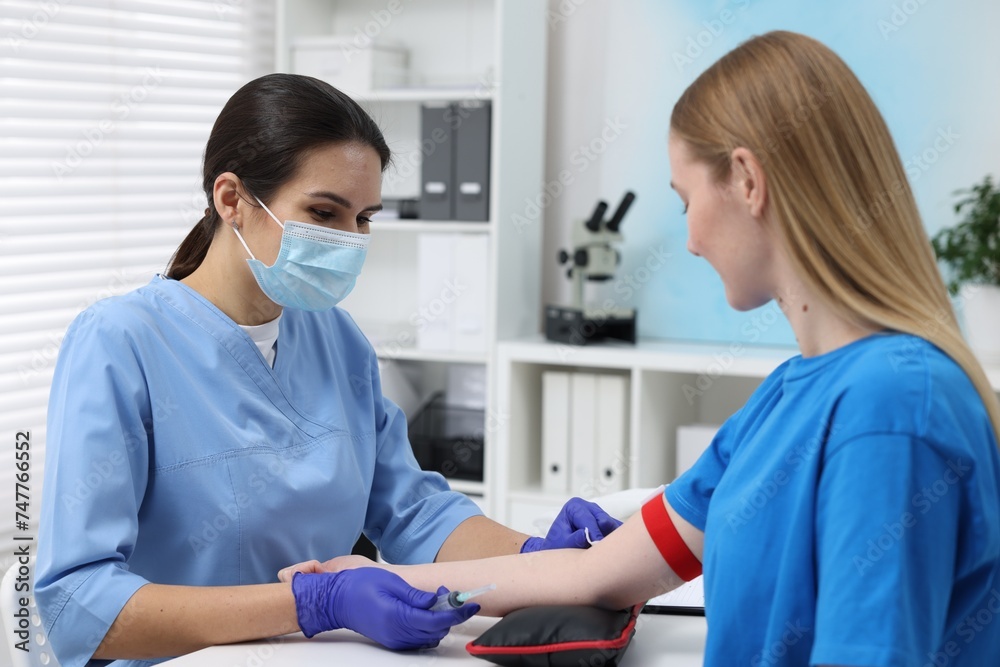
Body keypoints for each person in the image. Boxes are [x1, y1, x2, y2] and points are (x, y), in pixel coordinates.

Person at [283, 31, 1000, 666]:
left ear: (747, 181)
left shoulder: (893, 407)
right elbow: (595, 575)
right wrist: (358, 583)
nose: (689, 239)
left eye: (686, 200)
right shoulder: (790, 395)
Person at [35, 73, 621, 667]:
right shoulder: (120, 342)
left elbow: (412, 508)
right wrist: (311, 604)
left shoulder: (336, 339)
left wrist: (542, 554)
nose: (349, 240)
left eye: (364, 218)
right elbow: (77, 604)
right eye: (324, 212)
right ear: (231, 199)